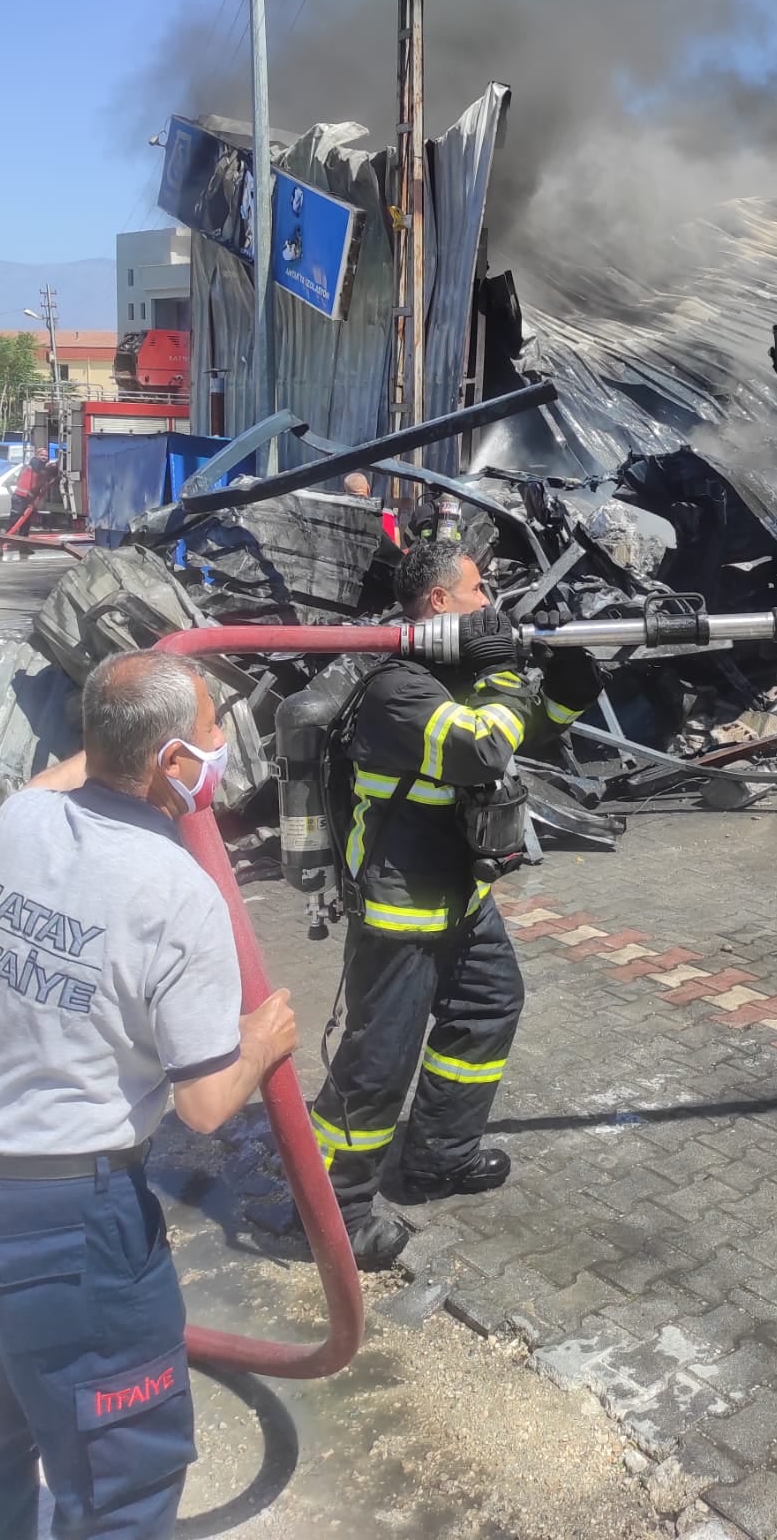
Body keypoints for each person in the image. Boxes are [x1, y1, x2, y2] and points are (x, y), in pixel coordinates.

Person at [0, 652, 298, 1540]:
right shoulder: (179, 894)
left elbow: (80, 764)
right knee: (121, 1474)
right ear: (172, 761)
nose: (220, 750)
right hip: (64, 1223)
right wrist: (262, 1042)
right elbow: (205, 1108)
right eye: (209, 735)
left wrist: (126, 705)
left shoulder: (25, 817)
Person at [309, 538, 602, 1268]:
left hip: (462, 899)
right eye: (478, 592)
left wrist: (566, 690)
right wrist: (503, 670)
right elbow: (479, 750)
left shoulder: (449, 674)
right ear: (439, 602)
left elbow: (519, 729)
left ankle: (440, 1156)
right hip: (402, 912)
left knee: (488, 1008)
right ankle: (331, 1215)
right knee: (376, 1066)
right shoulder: (397, 688)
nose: (490, 604)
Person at [8, 444, 56, 543]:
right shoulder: (34, 463)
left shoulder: (43, 470)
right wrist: (48, 465)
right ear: (36, 455)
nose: (44, 457)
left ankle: (23, 547)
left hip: (28, 500)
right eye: (41, 455)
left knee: (26, 524)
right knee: (13, 522)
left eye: (46, 456)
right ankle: (0, 543)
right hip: (20, 498)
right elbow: (37, 465)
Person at [342, 469, 399, 547]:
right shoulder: (389, 515)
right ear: (368, 489)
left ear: (345, 493)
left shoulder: (341, 515)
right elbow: (397, 546)